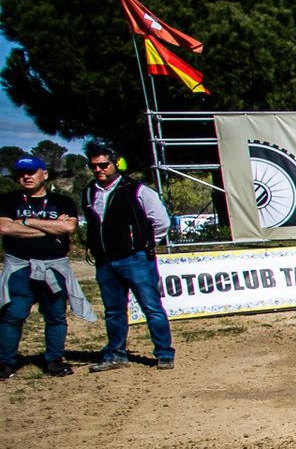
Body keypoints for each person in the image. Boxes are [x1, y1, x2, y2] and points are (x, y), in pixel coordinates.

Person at [81, 149, 174, 371]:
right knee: (113, 311)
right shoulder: (88, 192)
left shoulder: (137, 189)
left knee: (151, 307)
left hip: (136, 259)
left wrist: (145, 243)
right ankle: (115, 354)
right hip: (105, 261)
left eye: (103, 165)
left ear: (116, 164)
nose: (98, 170)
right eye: (93, 166)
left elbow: (161, 222)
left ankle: (164, 353)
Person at [1, 155, 91, 379]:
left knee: (55, 315)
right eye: (21, 173)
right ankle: (5, 362)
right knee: (12, 314)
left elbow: (69, 228)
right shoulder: (8, 200)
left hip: (54, 268)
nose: (26, 176)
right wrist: (51, 228)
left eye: (31, 172)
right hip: (19, 267)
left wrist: (26, 221)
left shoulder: (62, 201)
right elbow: (5, 228)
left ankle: (54, 361)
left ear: (45, 174)